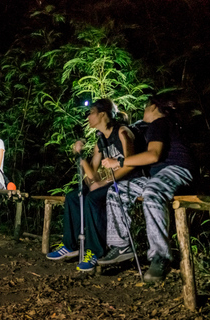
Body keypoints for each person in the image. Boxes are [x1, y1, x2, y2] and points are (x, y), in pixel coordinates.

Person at [99, 93, 194, 282]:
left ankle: (160, 256)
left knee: (152, 192)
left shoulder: (160, 123)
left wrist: (119, 162)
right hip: (158, 176)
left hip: (177, 170)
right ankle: (121, 245)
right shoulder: (153, 127)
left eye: (145, 107)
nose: (144, 111)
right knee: (117, 191)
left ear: (154, 108)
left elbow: (153, 156)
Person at [46, 99, 141, 272]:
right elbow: (93, 174)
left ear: (102, 114)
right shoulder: (100, 140)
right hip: (110, 183)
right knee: (74, 197)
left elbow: (131, 163)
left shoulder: (122, 132)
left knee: (93, 199)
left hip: (128, 182)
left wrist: (103, 182)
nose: (88, 116)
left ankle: (94, 251)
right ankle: (70, 245)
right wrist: (81, 157)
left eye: (91, 112)